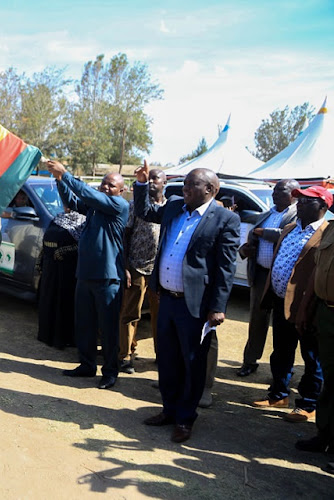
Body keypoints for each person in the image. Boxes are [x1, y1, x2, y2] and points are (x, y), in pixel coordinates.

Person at [135, 162, 240, 443]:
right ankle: (168, 410)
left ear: (211, 189)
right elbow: (145, 211)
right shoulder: (174, 207)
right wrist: (143, 185)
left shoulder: (225, 219)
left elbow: (225, 268)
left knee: (192, 363)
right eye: (185, 184)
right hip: (166, 299)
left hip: (195, 305)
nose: (185, 188)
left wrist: (218, 307)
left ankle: (185, 418)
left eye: (192, 184)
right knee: (167, 360)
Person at [47, 160, 129, 391]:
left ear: (121, 191)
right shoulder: (95, 208)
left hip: (107, 278)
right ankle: (87, 365)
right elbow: (73, 202)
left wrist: (67, 174)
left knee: (109, 329)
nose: (105, 187)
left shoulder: (118, 206)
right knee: (84, 325)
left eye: (111, 185)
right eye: (104, 183)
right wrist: (60, 180)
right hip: (85, 274)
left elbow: (90, 196)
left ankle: (111, 371)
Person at [252, 186, 331, 424]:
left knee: (310, 357)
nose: (300, 204)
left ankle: (308, 404)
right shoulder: (290, 228)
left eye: (308, 201)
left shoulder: (326, 234)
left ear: (323, 208)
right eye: (300, 200)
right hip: (280, 301)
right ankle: (278, 395)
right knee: (281, 351)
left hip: (307, 306)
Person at [236, 179, 299, 377]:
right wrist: (245, 249)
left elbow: (289, 234)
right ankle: (250, 360)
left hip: (284, 277)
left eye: (280, 191)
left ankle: (282, 369)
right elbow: (251, 237)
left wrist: (263, 232)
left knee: (283, 324)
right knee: (257, 320)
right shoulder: (265, 215)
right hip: (261, 274)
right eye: (274, 190)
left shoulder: (298, 214)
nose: (274, 194)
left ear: (293, 194)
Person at [118, 168, 166, 374]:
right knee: (131, 313)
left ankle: (161, 355)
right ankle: (125, 355)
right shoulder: (135, 206)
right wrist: (126, 266)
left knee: (160, 316)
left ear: (165, 183)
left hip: (160, 271)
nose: (153, 182)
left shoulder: (171, 208)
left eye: (157, 178)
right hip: (137, 266)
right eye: (151, 178)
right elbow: (126, 236)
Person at [295, 219, 334, 473]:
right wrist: (306, 307)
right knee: (330, 380)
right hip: (326, 313)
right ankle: (325, 435)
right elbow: (317, 271)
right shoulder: (331, 228)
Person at [37, 200, 86, 349]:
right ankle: (47, 335)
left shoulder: (82, 221)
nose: (67, 206)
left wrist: (64, 251)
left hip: (67, 269)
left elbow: (82, 244)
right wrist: (41, 260)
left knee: (64, 302)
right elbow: (45, 242)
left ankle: (63, 338)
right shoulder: (57, 217)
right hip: (50, 267)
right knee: (48, 299)